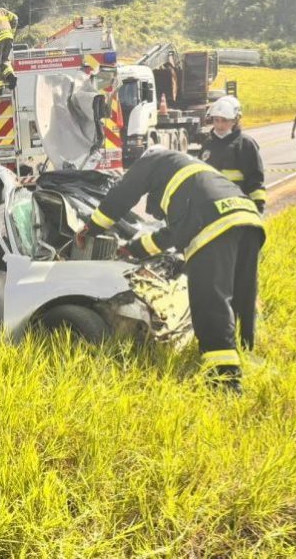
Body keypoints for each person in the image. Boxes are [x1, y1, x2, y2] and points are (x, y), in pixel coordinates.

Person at [78, 147, 266, 393]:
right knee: (243, 292)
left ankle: (225, 383)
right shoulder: (186, 172)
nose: (153, 211)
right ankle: (246, 351)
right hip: (248, 218)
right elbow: (174, 232)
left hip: (214, 224)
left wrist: (91, 228)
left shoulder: (150, 162)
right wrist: (135, 249)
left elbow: (122, 195)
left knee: (210, 302)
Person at [200, 96, 267, 212]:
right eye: (216, 120)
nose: (220, 125)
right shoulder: (207, 145)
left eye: (225, 120)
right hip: (212, 209)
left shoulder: (246, 145)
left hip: (239, 207)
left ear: (235, 120)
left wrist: (258, 208)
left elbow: (255, 180)